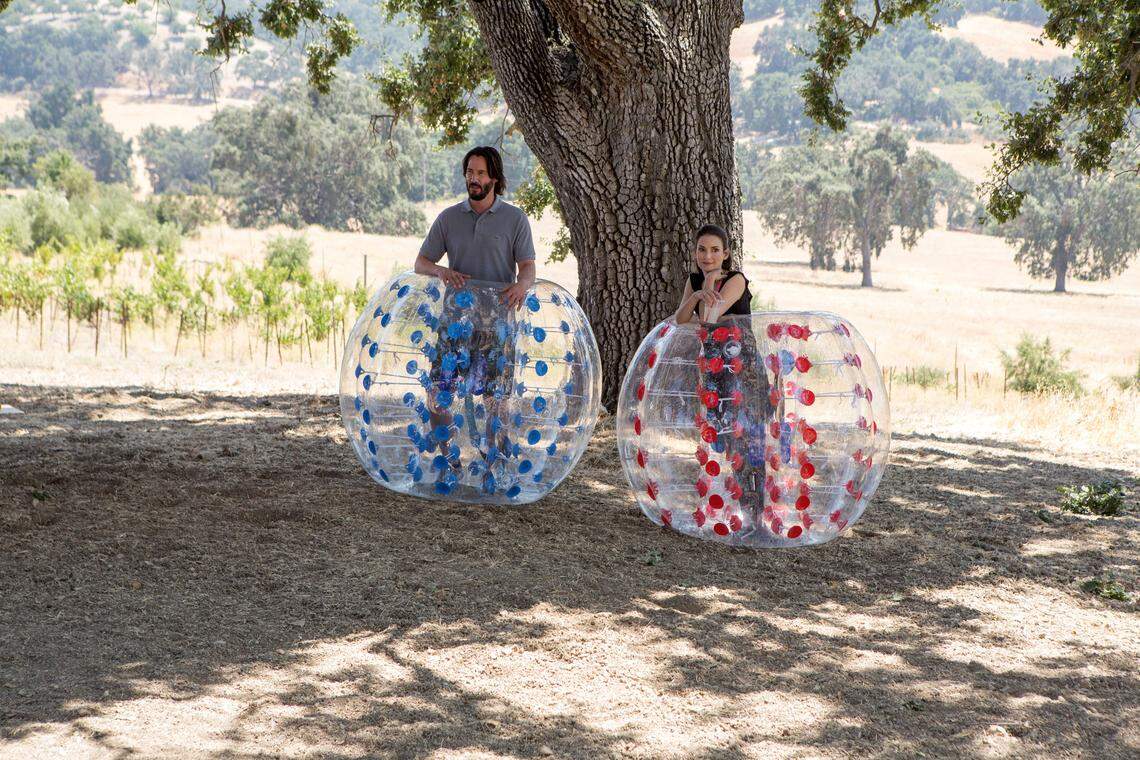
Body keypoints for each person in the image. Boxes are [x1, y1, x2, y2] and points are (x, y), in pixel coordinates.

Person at [413, 146, 537, 494]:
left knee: (496, 401)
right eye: (469, 172)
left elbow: (527, 267)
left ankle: (492, 465)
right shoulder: (449, 218)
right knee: (437, 396)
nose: (474, 179)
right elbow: (421, 263)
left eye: (481, 173)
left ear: (494, 178)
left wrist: (522, 285)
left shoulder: (515, 220)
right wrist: (441, 271)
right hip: (454, 324)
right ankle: (450, 461)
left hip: (496, 326)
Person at [674, 224, 772, 534]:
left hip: (744, 368)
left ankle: (758, 516)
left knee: (752, 437)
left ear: (726, 254)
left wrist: (711, 284)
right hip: (716, 371)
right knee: (730, 437)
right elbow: (681, 319)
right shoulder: (693, 281)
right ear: (695, 253)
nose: (708, 255)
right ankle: (747, 512)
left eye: (715, 250)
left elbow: (709, 320)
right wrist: (698, 292)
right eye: (702, 249)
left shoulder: (735, 280)